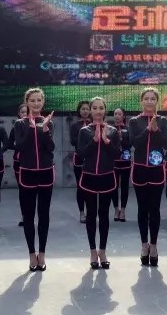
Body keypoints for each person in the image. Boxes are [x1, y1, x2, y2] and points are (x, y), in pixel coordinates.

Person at [14, 88, 55, 271]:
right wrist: (32, 129)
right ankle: (32, 254)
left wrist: (45, 130)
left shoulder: (48, 122)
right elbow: (21, 146)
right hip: (27, 173)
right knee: (28, 215)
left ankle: (42, 253)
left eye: (39, 100)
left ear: (43, 101)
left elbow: (50, 148)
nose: (36, 103)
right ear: (27, 102)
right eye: (32, 100)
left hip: (46, 172)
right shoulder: (20, 123)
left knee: (44, 214)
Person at [77, 97, 121, 269]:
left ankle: (102, 251)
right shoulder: (84, 131)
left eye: (101, 108)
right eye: (94, 108)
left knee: (103, 215)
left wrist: (107, 142)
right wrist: (94, 141)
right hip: (89, 177)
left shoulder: (112, 131)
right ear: (90, 110)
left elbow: (116, 155)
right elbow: (81, 154)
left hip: (107, 177)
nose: (97, 111)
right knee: (91, 215)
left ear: (105, 110)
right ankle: (92, 252)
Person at [129, 87, 167, 266]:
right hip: (139, 169)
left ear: (157, 101)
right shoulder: (134, 121)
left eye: (153, 98)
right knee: (142, 209)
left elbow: (166, 143)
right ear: (142, 101)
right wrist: (148, 129)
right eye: (147, 98)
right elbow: (134, 143)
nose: (150, 101)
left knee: (155, 209)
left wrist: (156, 130)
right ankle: (144, 245)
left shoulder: (163, 121)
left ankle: (154, 246)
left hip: (157, 169)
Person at [7, 103, 29, 227]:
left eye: (27, 112)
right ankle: (24, 216)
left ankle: (32, 214)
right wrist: (19, 147)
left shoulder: (36, 127)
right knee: (23, 190)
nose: (25, 114)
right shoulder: (15, 128)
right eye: (22, 112)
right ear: (18, 114)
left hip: (33, 162)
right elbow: (9, 144)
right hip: (19, 162)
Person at [70, 101, 91, 223]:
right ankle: (82, 212)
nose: (85, 111)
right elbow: (72, 141)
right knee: (80, 186)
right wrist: (82, 133)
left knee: (90, 187)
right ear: (79, 111)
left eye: (87, 109)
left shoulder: (93, 124)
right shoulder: (75, 125)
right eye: (83, 109)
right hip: (79, 159)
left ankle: (90, 211)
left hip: (91, 159)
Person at [110, 108, 130, 222]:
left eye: (119, 114)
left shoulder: (128, 129)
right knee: (114, 186)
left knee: (125, 186)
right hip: (114, 161)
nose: (117, 116)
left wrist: (121, 138)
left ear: (123, 116)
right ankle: (116, 209)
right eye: (115, 114)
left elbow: (130, 144)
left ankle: (123, 210)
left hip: (126, 161)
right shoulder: (110, 129)